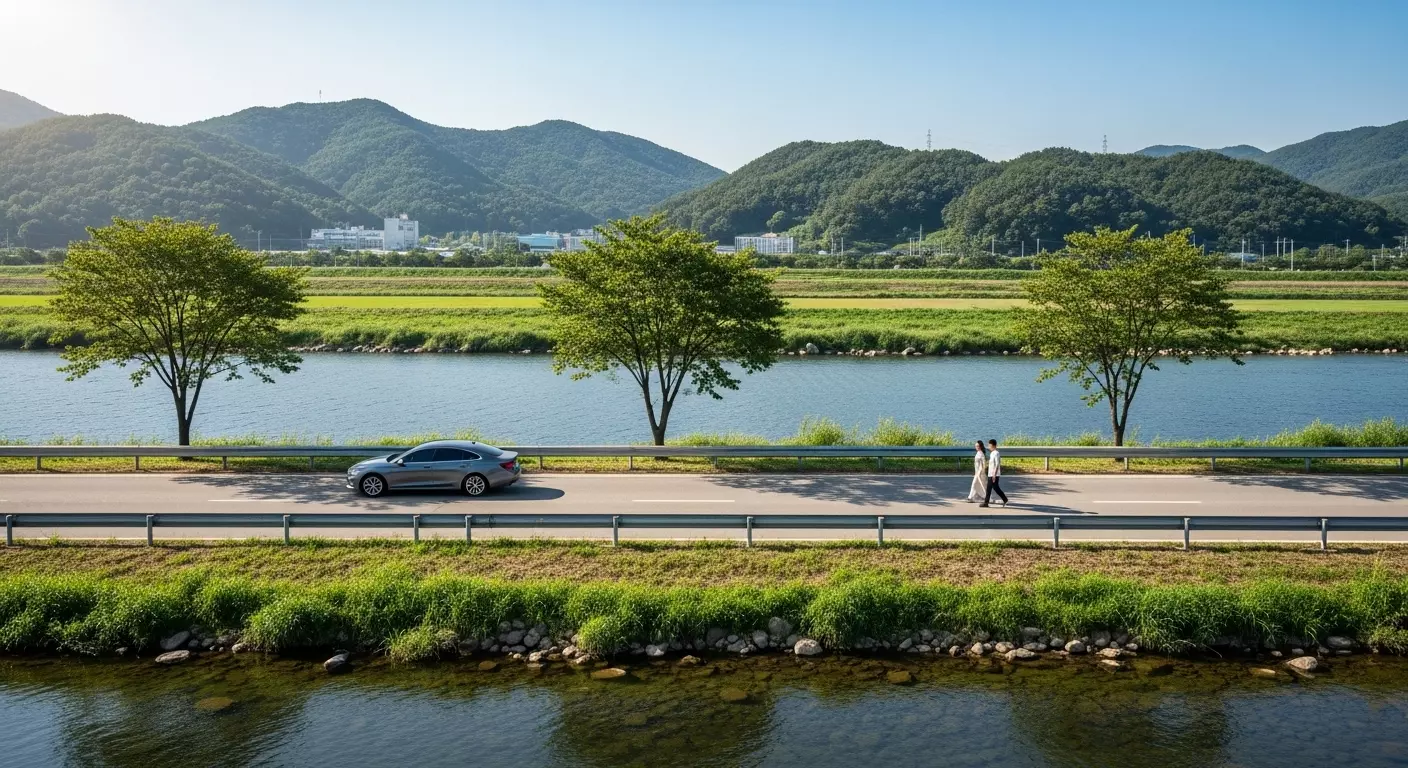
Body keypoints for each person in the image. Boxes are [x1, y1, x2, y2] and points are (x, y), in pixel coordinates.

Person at [980, 438, 1008, 507]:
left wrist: (994, 475)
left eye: (990, 446)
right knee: (995, 488)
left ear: (994, 446)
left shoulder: (996, 453)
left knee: (989, 488)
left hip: (994, 474)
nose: (989, 447)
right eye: (989, 446)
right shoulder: (992, 453)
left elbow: (997, 464)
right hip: (991, 474)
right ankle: (1005, 499)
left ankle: (986, 503)